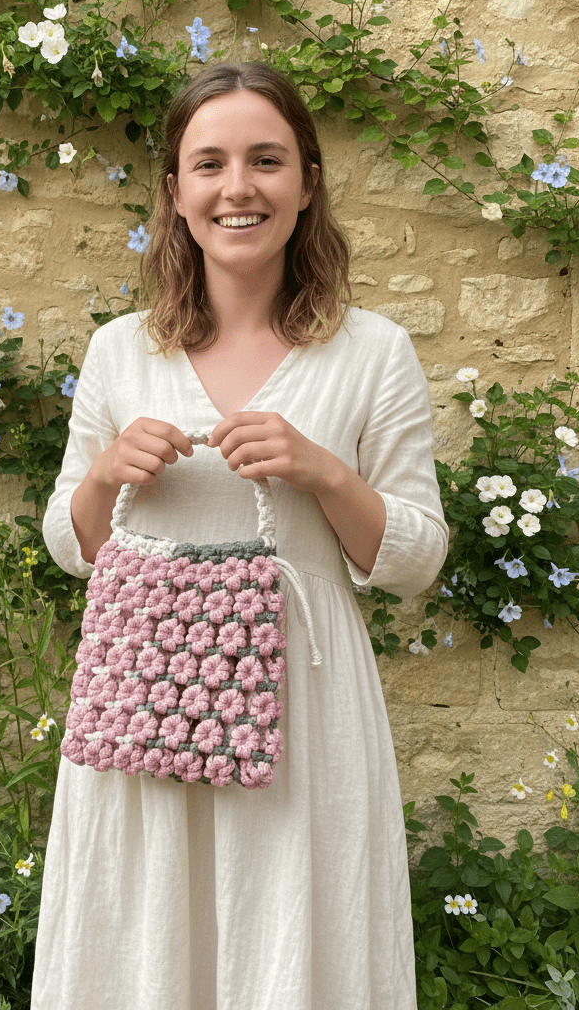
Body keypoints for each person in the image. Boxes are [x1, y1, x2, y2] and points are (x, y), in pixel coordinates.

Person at [33, 61, 448, 1010]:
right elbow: (70, 542)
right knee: (142, 945)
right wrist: (104, 474)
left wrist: (323, 472)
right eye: (209, 163)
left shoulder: (370, 350)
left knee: (293, 943)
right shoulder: (120, 350)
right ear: (176, 193)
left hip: (306, 724)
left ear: (306, 182)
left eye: (266, 160)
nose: (238, 187)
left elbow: (415, 557)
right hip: (147, 708)